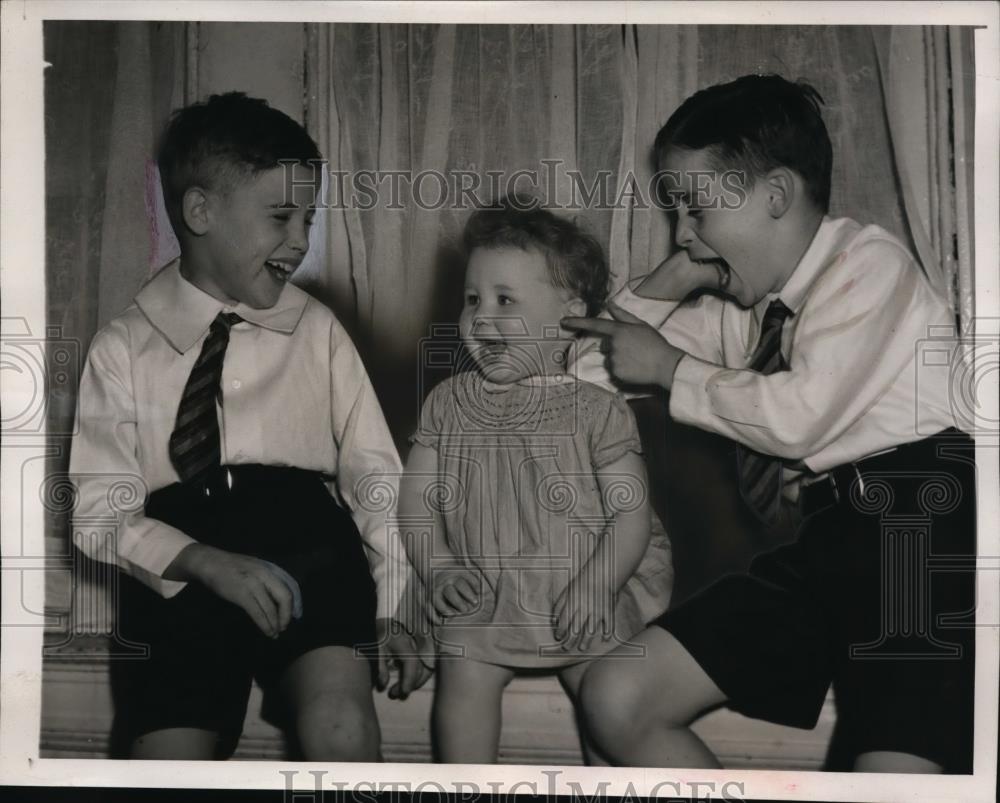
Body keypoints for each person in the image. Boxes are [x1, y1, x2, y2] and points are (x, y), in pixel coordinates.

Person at [563, 74, 976, 774]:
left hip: (921, 534)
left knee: (893, 773)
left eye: (694, 210)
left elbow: (799, 420)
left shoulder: (871, 265)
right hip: (829, 538)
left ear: (776, 196)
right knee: (617, 692)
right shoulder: (747, 312)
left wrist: (669, 368)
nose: (684, 233)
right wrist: (668, 281)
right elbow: (584, 378)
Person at [70, 92, 428, 761]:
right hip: (178, 561)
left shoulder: (318, 330)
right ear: (200, 211)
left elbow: (375, 472)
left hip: (309, 542)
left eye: (309, 218)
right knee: (167, 762)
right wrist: (202, 561)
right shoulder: (121, 347)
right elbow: (97, 512)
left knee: (342, 727)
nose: (301, 240)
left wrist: (395, 601)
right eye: (281, 216)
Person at [400, 198, 673, 764]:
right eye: (472, 299)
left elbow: (631, 513)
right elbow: (417, 504)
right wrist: (440, 564)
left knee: (607, 700)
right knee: (462, 663)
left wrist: (600, 582)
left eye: (506, 300)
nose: (482, 316)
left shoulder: (597, 409)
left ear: (568, 319)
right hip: (487, 591)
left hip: (579, 586)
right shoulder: (447, 403)